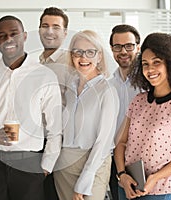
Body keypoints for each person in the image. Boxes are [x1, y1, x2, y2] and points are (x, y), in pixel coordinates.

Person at [0, 15, 62, 200]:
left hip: (30, 164)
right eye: (2, 35)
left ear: (24, 36)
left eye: (14, 33)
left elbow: (55, 128)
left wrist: (46, 166)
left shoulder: (44, 76)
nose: (8, 39)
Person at [114, 32, 171, 200]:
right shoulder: (138, 101)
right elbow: (121, 142)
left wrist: (156, 177)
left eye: (156, 62)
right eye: (145, 64)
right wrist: (122, 175)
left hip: (160, 190)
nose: (150, 69)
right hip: (127, 187)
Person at [53, 30, 119, 200]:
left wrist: (85, 179)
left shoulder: (107, 90)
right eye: (78, 52)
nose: (83, 57)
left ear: (99, 56)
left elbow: (103, 142)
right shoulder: (70, 88)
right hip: (64, 165)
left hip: (93, 163)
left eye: (90, 52)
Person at [38, 6, 69, 200]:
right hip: (42, 142)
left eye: (56, 27)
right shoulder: (39, 63)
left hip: (63, 147)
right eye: (45, 26)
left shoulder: (71, 63)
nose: (50, 31)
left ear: (65, 33)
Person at [108, 24, 141, 200]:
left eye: (129, 46)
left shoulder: (149, 82)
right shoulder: (108, 83)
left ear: (138, 47)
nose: (123, 51)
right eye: (117, 46)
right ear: (112, 49)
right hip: (114, 158)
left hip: (141, 159)